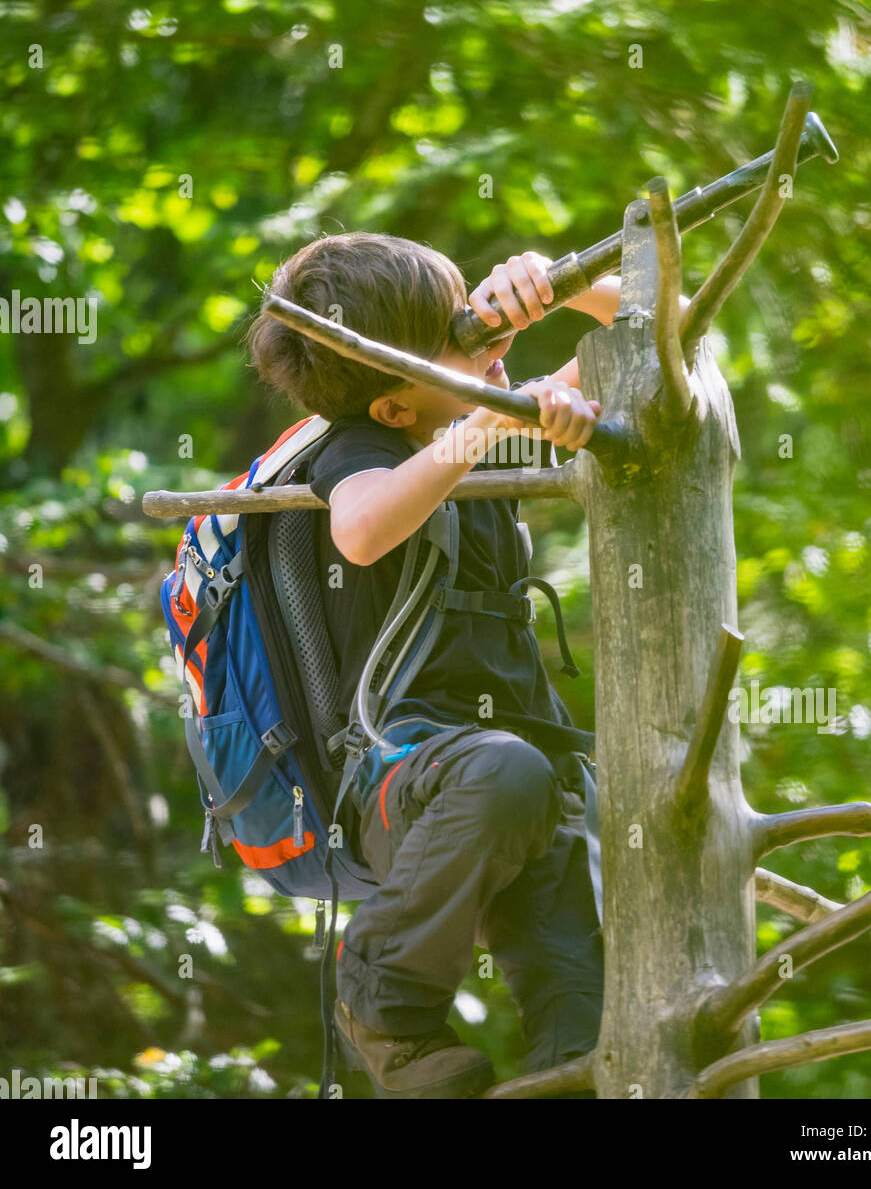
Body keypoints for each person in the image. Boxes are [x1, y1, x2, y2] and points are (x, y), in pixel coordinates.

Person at [248, 231, 621, 1099]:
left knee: (583, 1012)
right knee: (505, 771)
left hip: (527, 792)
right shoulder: (358, 450)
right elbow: (363, 527)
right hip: (403, 783)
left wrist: (564, 290)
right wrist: (496, 417)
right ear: (390, 407)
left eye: (474, 305)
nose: (485, 334)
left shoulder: (474, 422)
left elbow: (672, 334)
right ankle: (380, 1003)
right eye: (458, 333)